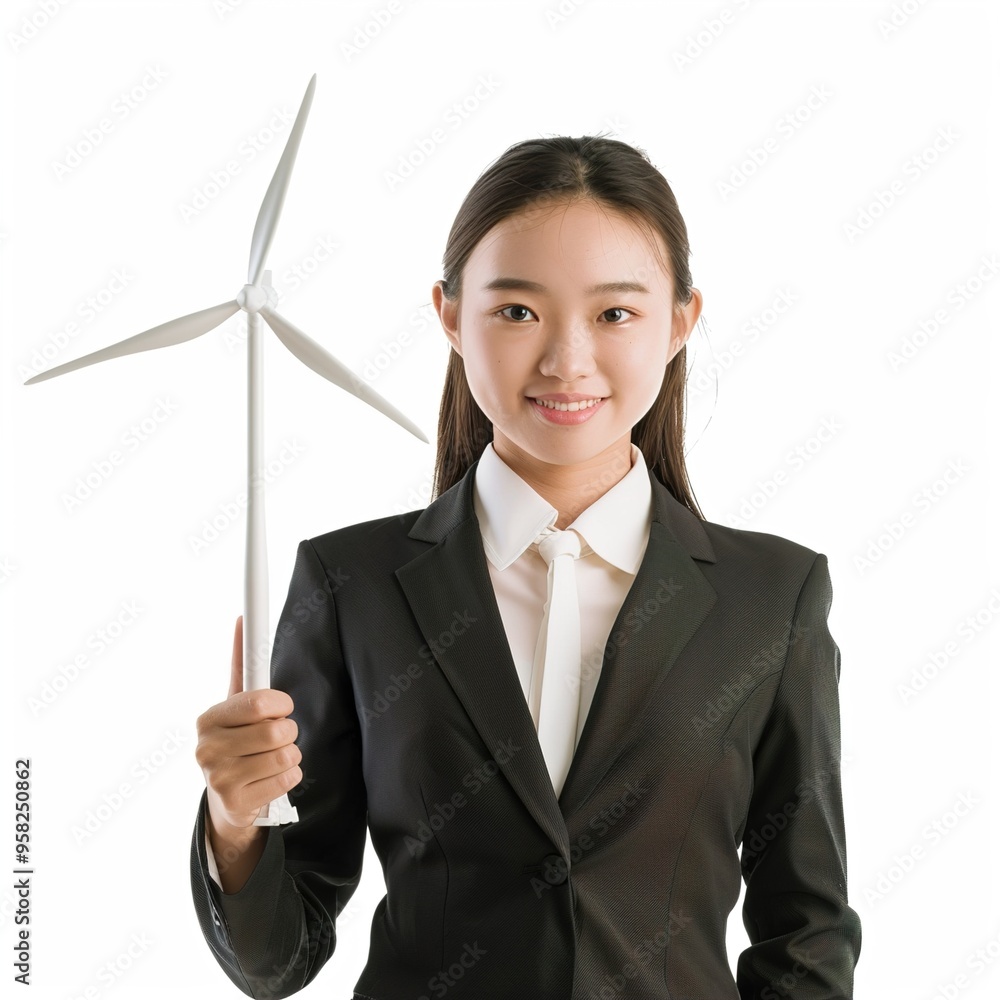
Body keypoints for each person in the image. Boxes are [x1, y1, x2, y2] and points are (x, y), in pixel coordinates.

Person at [190, 135, 862, 999]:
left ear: (681, 322)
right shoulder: (351, 584)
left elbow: (805, 932)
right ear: (448, 315)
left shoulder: (773, 597)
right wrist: (236, 823)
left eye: (615, 314)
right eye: (517, 312)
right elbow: (278, 959)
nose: (566, 360)